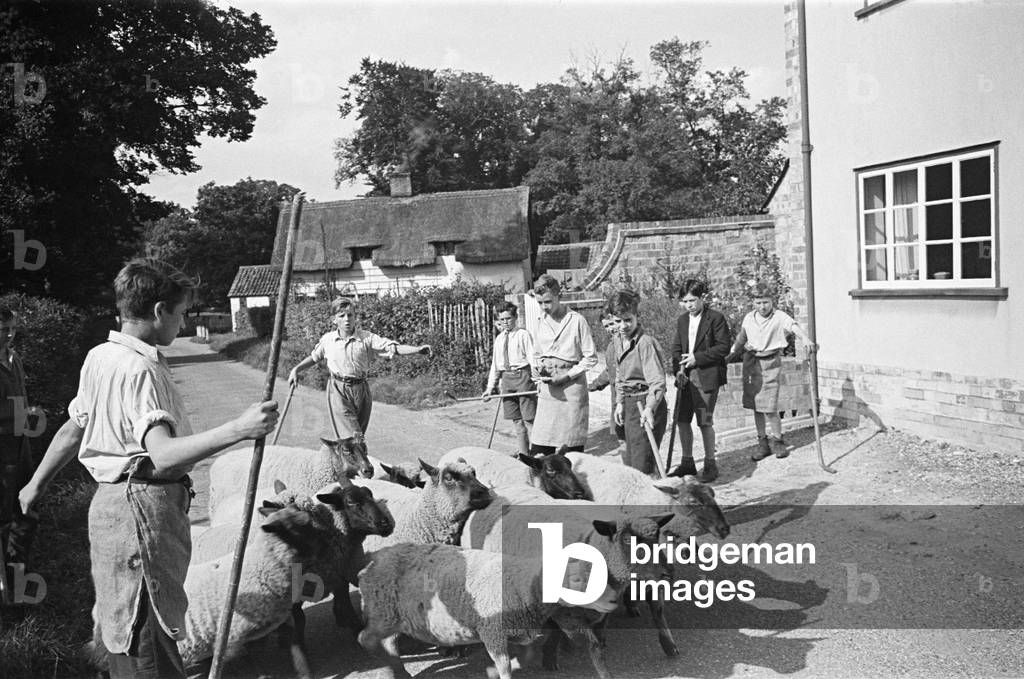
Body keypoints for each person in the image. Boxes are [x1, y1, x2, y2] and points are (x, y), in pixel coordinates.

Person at [18, 258, 279, 678]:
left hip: (111, 508)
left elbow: (73, 428)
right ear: (159, 311)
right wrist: (240, 427)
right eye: (179, 314)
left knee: (120, 623)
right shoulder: (141, 368)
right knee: (147, 634)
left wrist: (34, 485)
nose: (181, 323)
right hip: (141, 510)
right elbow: (163, 454)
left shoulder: (100, 356)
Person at [288, 297, 431, 439]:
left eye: (350, 315)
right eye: (341, 316)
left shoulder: (366, 338)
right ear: (334, 320)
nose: (347, 319)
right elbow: (314, 357)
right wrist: (296, 369)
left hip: (361, 390)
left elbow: (393, 348)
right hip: (338, 390)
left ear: (355, 317)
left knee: (358, 436)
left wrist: (417, 350)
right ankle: (357, 459)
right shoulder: (328, 340)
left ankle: (348, 459)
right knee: (353, 437)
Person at [728, 282, 818, 461]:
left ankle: (778, 440)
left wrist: (806, 339)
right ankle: (762, 443)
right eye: (759, 303)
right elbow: (741, 338)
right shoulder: (748, 318)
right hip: (751, 363)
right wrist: (730, 354)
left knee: (770, 407)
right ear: (753, 303)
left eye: (766, 302)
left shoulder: (779, 316)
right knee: (756, 407)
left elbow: (793, 326)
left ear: (772, 301)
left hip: (770, 364)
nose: (763, 306)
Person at [669, 279, 731, 482]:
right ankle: (688, 462)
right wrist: (678, 368)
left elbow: (723, 347)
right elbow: (677, 348)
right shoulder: (682, 321)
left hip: (706, 377)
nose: (689, 305)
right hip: (685, 378)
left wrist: (698, 358)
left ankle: (710, 464)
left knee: (704, 421)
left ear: (702, 298)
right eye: (685, 301)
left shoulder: (715, 318)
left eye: (693, 300)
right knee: (682, 420)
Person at [529, 275, 598, 456]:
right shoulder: (540, 322)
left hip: (571, 388)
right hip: (549, 390)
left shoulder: (576, 320)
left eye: (548, 302)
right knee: (540, 449)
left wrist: (567, 375)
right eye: (540, 303)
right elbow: (536, 354)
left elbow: (591, 357)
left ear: (559, 296)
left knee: (570, 450)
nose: (545, 307)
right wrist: (538, 370)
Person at [607, 290, 668, 475]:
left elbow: (657, 381)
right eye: (618, 321)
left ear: (636, 317)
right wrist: (619, 403)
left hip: (646, 404)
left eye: (628, 320)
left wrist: (650, 408)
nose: (623, 326)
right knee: (633, 462)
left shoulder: (645, 343)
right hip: (629, 404)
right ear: (612, 319)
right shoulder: (617, 340)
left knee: (643, 464)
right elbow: (619, 376)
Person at [0, 306, 36, 588]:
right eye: (3, 330)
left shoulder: (14, 358)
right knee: (4, 516)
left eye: (13, 328)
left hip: (21, 444)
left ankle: (19, 576)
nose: (10, 335)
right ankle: (5, 586)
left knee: (26, 508)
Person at [482, 302, 537, 458]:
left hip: (523, 377)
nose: (505, 322)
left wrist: (538, 381)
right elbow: (496, 365)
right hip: (507, 379)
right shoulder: (499, 339)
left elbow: (533, 359)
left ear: (515, 318)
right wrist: (489, 388)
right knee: (517, 421)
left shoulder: (523, 335)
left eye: (508, 318)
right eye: (501, 319)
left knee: (529, 420)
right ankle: (524, 454)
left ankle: (537, 455)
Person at [588, 311, 625, 446]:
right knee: (621, 437)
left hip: (631, 396)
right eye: (607, 326)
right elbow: (610, 371)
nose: (611, 328)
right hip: (617, 398)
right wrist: (593, 385)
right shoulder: (611, 345)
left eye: (613, 323)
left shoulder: (631, 343)